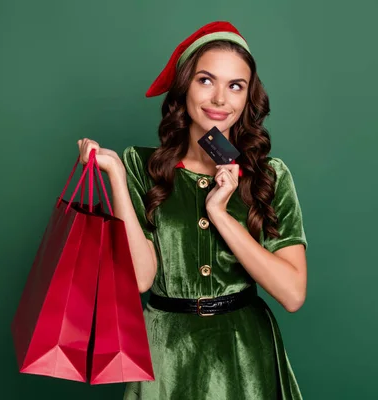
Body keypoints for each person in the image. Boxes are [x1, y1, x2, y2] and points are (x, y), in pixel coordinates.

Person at [77, 21, 307, 400]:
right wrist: (116, 175)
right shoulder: (141, 165)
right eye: (206, 80)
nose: (220, 99)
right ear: (184, 86)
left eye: (236, 86)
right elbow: (140, 279)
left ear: (249, 98)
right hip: (166, 355)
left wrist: (221, 215)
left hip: (243, 355)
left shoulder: (270, 175)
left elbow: (292, 294)